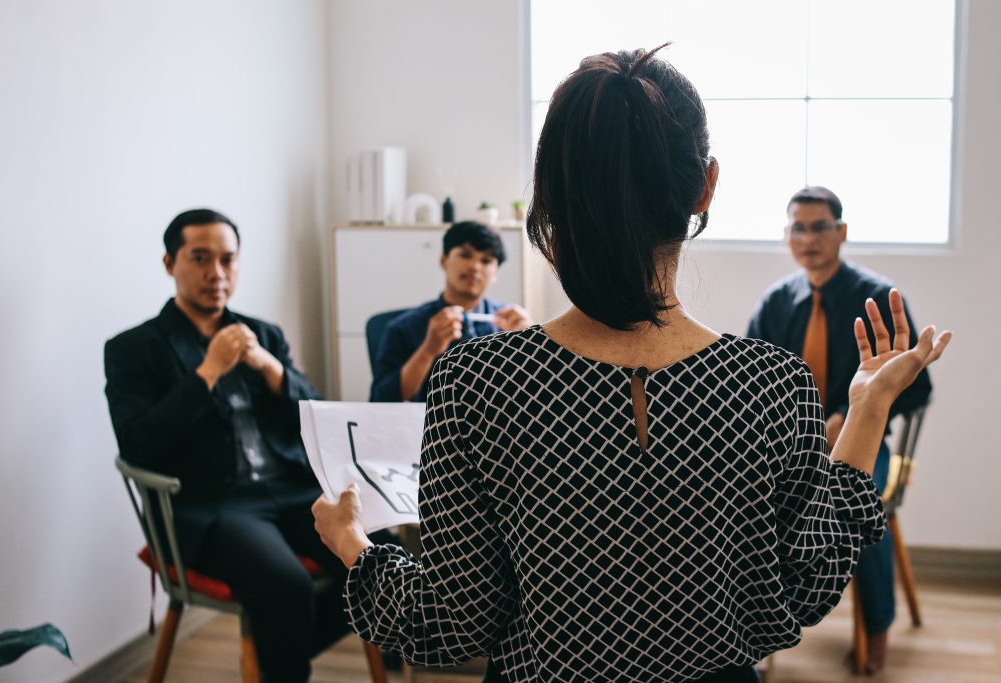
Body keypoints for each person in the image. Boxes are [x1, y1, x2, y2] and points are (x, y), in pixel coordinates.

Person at [313, 47, 950, 683]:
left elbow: (449, 623)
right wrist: (868, 409)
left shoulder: (478, 379)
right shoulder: (772, 383)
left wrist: (351, 543)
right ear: (706, 184)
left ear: (550, 193)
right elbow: (805, 589)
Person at [104, 208, 385, 682]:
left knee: (379, 553)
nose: (217, 273)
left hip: (292, 490)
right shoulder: (134, 347)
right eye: (200, 258)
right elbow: (138, 445)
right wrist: (207, 373)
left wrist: (269, 368)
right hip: (215, 505)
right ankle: (283, 654)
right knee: (286, 585)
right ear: (170, 262)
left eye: (228, 260)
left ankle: (280, 647)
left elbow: (315, 417)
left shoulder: (263, 334)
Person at [746, 186, 932, 673]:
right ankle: (752, 634)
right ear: (787, 236)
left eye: (820, 226)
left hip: (867, 446)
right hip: (791, 447)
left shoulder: (877, 296)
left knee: (860, 504)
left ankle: (876, 629)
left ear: (841, 232)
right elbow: (752, 385)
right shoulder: (775, 302)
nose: (808, 238)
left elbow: (917, 389)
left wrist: (856, 418)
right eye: (798, 228)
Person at [369, 221, 531, 403]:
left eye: (486, 261)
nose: (475, 267)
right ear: (443, 260)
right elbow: (381, 400)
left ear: (495, 273)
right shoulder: (403, 327)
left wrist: (527, 347)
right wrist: (428, 350)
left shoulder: (511, 326)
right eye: (465, 255)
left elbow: (528, 397)